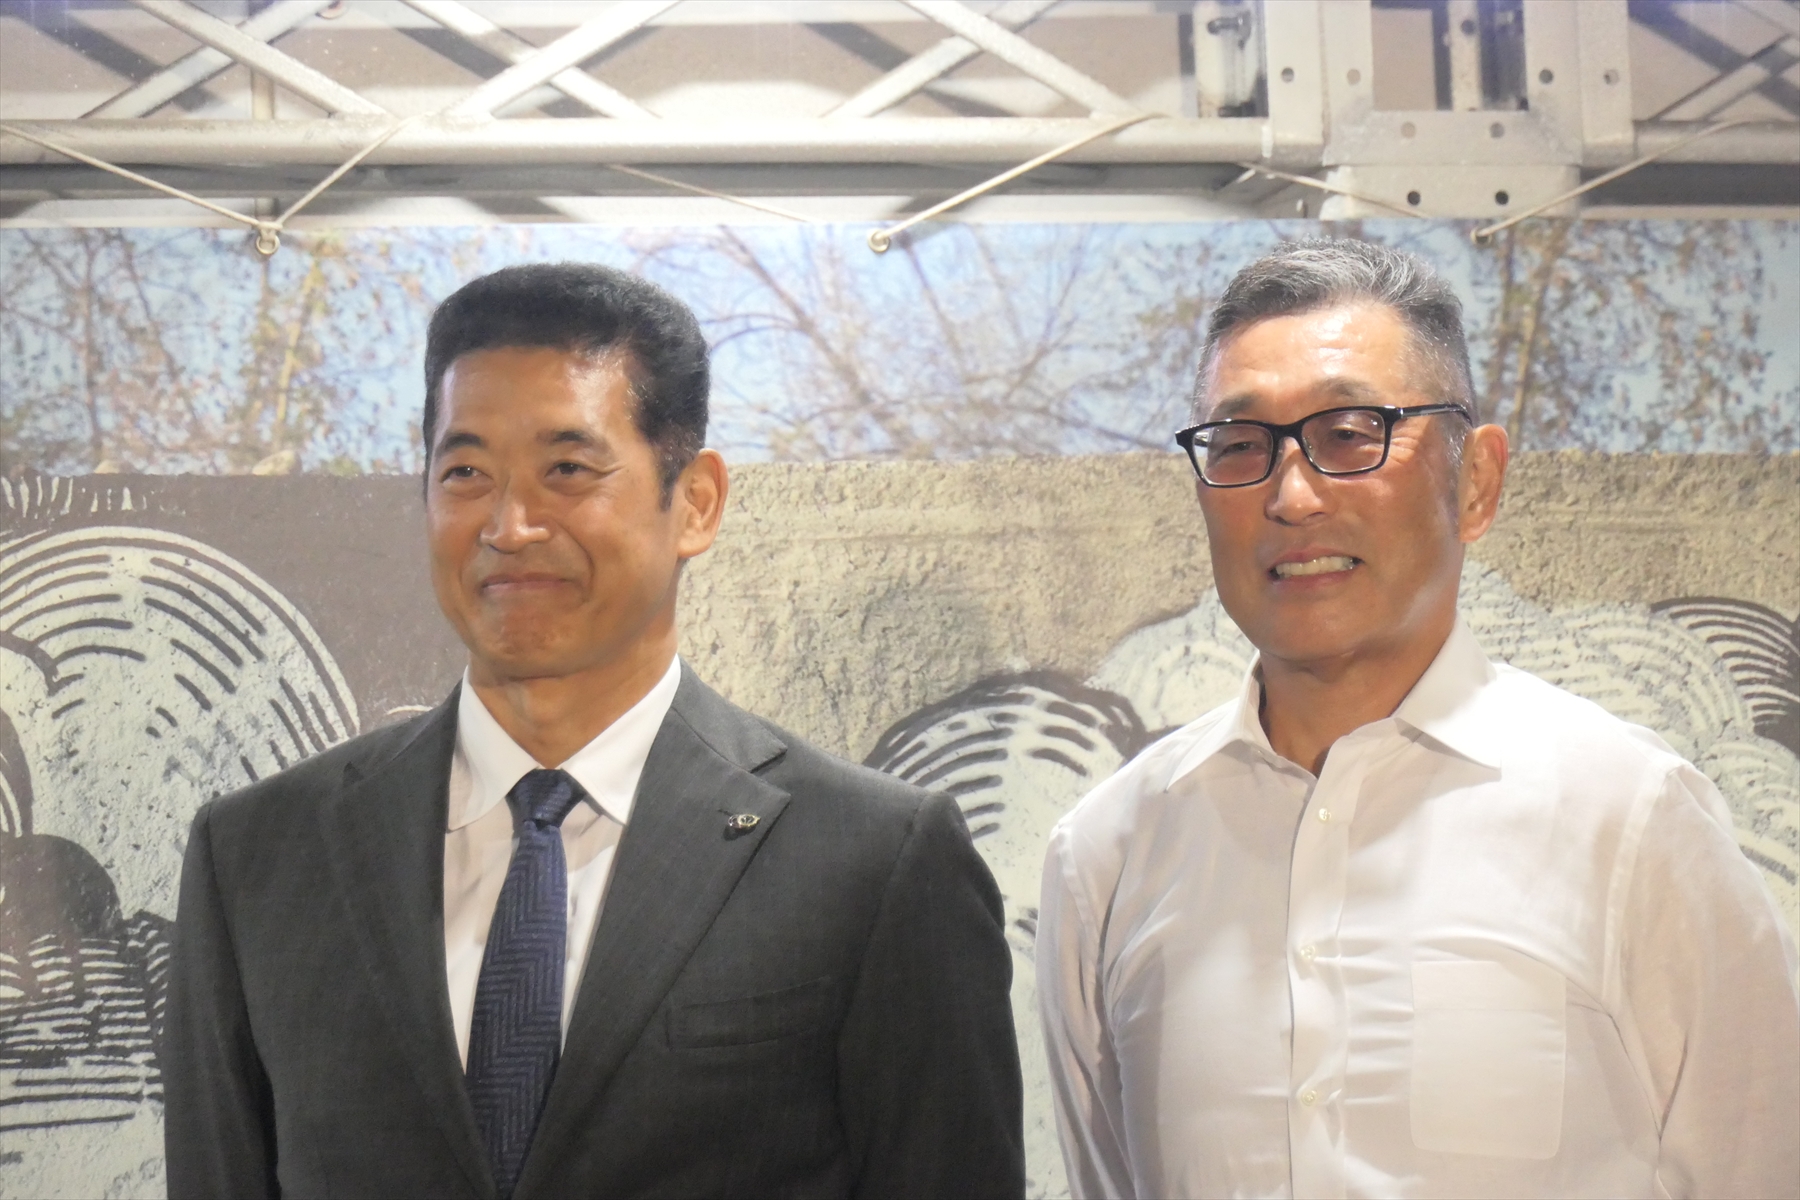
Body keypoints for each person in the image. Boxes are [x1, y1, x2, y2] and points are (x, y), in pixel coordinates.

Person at [164, 263, 1024, 1199]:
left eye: (567, 470)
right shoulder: (260, 858)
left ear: (695, 501)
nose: (510, 526)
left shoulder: (874, 862)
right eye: (465, 473)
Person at [1036, 238, 1799, 1199]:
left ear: (1475, 481)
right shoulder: (1109, 855)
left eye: (1351, 434)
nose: (1292, 495)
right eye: (1240, 446)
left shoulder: (1633, 821)